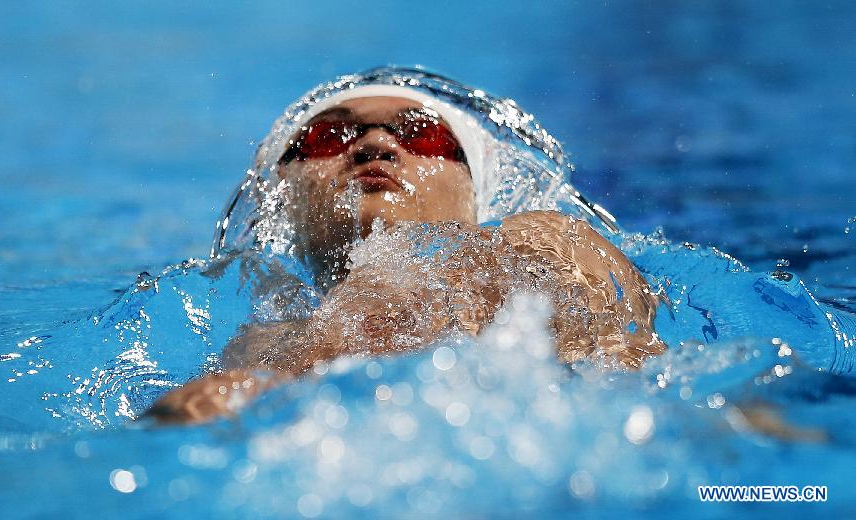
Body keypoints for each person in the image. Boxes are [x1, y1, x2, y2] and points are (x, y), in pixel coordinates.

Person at [146, 84, 665, 424]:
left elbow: (632, 377)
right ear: (285, 193)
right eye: (329, 136)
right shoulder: (262, 335)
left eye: (425, 135)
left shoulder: (549, 239)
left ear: (473, 186)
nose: (375, 144)